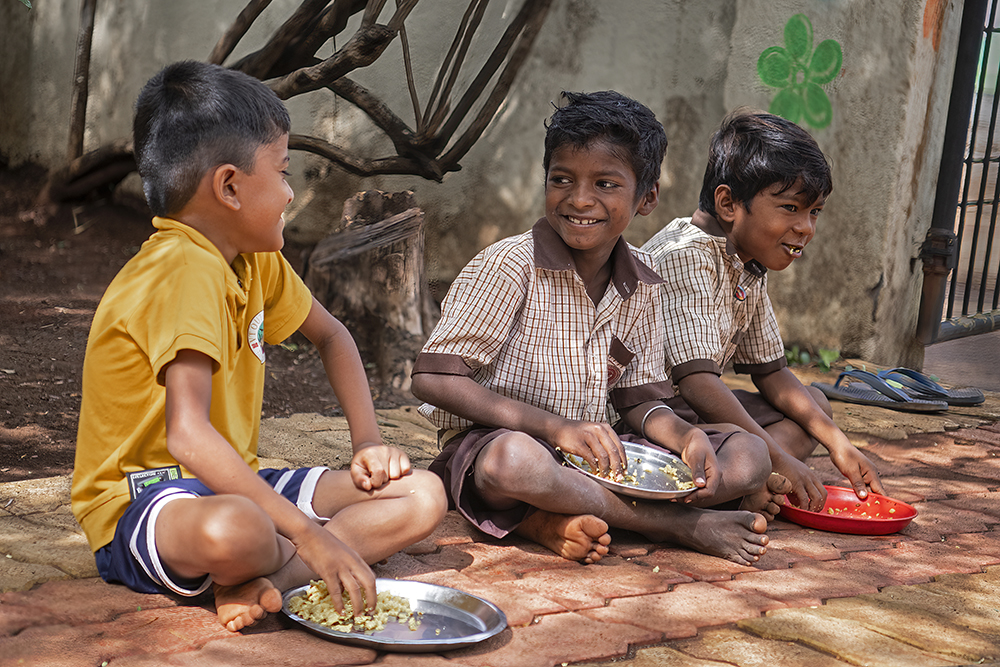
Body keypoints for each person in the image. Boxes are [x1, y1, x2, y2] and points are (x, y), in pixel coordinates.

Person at [71, 60, 447, 633]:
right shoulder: (181, 269)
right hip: (146, 499)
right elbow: (187, 435)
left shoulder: (254, 261)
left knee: (421, 494)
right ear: (229, 185)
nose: (291, 193)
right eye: (283, 171)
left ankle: (268, 578)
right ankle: (304, 555)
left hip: (237, 483)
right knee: (238, 530)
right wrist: (313, 535)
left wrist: (368, 443)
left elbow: (332, 336)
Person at [410, 91, 783, 568]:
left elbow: (640, 401)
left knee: (749, 453)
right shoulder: (510, 265)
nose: (580, 199)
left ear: (646, 198)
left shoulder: (644, 282)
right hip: (501, 444)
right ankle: (676, 525)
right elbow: (432, 378)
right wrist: (556, 428)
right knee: (515, 465)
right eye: (561, 179)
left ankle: (553, 518)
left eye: (606, 183)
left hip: (596, 456)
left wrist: (685, 438)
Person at [641, 110, 884, 515]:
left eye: (814, 212)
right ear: (729, 203)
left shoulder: (748, 261)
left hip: (696, 412)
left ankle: (751, 482)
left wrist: (841, 445)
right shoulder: (685, 256)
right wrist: (779, 457)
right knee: (753, 454)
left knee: (815, 407)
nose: (806, 227)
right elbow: (699, 383)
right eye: (790, 208)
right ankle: (741, 483)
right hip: (654, 416)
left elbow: (770, 372)